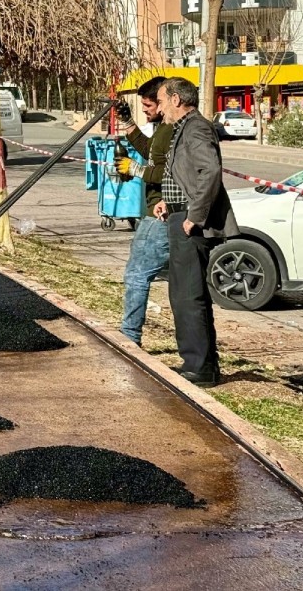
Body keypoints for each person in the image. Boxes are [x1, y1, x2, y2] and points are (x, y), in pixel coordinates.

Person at [151, 77, 237, 387]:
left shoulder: (197, 127)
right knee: (185, 293)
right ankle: (202, 364)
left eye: (161, 101)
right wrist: (166, 200)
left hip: (190, 222)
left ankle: (198, 367)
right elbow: (186, 173)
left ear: (175, 100)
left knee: (188, 295)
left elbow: (210, 171)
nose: (160, 109)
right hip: (179, 214)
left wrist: (194, 216)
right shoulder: (184, 127)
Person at [113, 76, 173, 346]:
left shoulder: (172, 129)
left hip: (160, 213)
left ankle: (129, 337)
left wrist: (135, 169)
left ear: (164, 101)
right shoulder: (161, 127)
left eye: (149, 105)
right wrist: (127, 124)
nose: (146, 110)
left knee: (137, 273)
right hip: (159, 210)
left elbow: (170, 170)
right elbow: (151, 152)